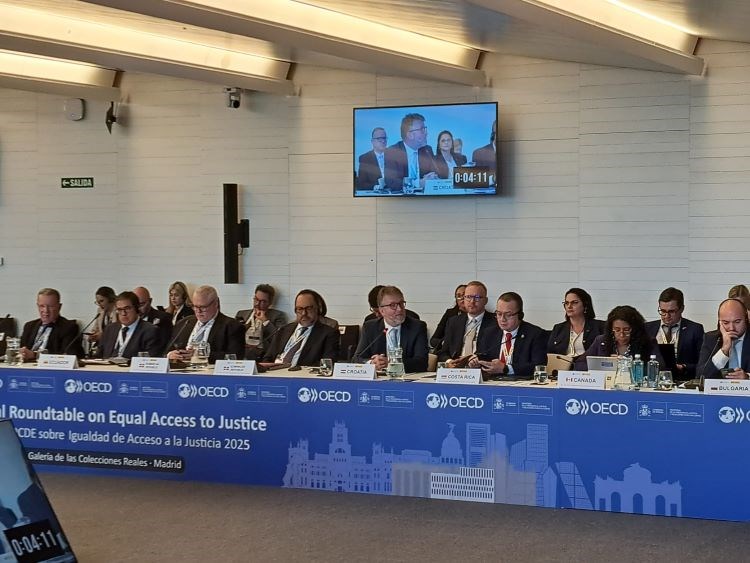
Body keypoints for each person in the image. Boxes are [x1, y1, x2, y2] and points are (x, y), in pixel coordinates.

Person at [352, 286, 428, 373]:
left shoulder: (417, 327)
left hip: (408, 379)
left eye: (401, 303)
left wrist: (391, 362)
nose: (399, 309)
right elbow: (356, 359)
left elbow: (422, 363)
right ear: (382, 310)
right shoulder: (370, 327)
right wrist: (372, 363)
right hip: (380, 379)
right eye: (393, 305)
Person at [166, 285, 244, 364]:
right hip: (181, 369)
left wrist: (200, 355)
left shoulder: (232, 326)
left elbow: (235, 357)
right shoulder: (184, 323)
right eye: (195, 306)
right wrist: (170, 355)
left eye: (203, 307)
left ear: (216, 304)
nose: (198, 311)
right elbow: (167, 351)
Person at [476, 292, 546, 379]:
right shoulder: (489, 333)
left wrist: (506, 369)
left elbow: (539, 366)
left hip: (522, 384)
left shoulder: (535, 334)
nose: (502, 319)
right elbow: (482, 357)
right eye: (499, 314)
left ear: (520, 315)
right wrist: (476, 362)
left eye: (508, 315)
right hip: (492, 382)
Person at [261, 289, 339, 367]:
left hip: (302, 373)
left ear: (318, 308)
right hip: (275, 371)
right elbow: (268, 358)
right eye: (300, 309)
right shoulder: (283, 330)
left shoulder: (329, 334)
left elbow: (327, 365)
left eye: (308, 308)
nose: (304, 313)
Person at [575, 305, 663, 371]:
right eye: (617, 330)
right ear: (611, 328)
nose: (621, 334)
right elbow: (579, 364)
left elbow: (660, 367)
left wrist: (629, 365)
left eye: (626, 330)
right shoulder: (601, 341)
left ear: (635, 328)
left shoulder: (648, 342)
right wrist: (606, 364)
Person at [645, 287, 704, 382]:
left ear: (682, 309)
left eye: (671, 311)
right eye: (663, 311)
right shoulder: (647, 328)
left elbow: (703, 363)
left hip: (682, 381)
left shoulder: (695, 329)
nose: (666, 316)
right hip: (653, 380)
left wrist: (684, 367)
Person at [437, 281, 497, 366]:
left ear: (485, 300)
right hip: (456, 369)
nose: (472, 301)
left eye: (477, 297)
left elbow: (497, 352)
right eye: (468, 297)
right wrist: (449, 362)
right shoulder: (453, 322)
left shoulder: (495, 322)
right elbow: (443, 352)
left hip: (482, 369)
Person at [19, 288, 81, 360]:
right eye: (42, 306)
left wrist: (35, 355)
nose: (46, 310)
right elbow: (21, 350)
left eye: (50, 306)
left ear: (59, 307)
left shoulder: (69, 327)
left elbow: (68, 355)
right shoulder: (29, 326)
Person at [97, 291, 162, 359]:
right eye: (119, 309)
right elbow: (98, 356)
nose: (123, 313)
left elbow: (150, 359)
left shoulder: (150, 330)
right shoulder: (110, 329)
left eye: (127, 308)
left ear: (137, 308)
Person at [698, 298, 750, 380]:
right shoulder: (711, 339)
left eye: (737, 322)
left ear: (746, 319)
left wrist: (748, 377)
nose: (731, 328)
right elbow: (701, 376)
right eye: (726, 323)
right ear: (719, 323)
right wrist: (724, 350)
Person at [384, 113, 438, 191]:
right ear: (410, 135)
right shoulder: (392, 152)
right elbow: (391, 182)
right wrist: (418, 183)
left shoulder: (427, 150)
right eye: (422, 130)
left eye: (425, 129)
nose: (426, 133)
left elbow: (434, 174)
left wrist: (433, 177)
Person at [547, 288, 605, 359]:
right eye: (566, 303)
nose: (569, 306)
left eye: (574, 302)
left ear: (585, 305)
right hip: (563, 365)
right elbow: (550, 353)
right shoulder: (558, 328)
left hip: (587, 365)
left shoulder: (600, 327)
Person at [235, 284, 287, 360]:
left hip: (262, 355)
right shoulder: (241, 314)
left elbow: (280, 339)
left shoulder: (278, 316)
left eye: (263, 301)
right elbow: (232, 336)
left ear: (270, 302)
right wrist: (246, 326)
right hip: (242, 353)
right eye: (256, 299)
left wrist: (265, 321)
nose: (257, 304)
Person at [134, 286, 172, 351]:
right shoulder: (129, 320)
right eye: (134, 305)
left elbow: (163, 347)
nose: (138, 309)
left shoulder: (163, 319)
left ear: (150, 301)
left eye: (141, 304)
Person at [430, 284, 467, 350]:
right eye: (458, 296)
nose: (462, 298)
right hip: (448, 351)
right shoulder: (450, 313)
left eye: (464, 295)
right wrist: (445, 343)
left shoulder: (477, 315)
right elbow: (433, 340)